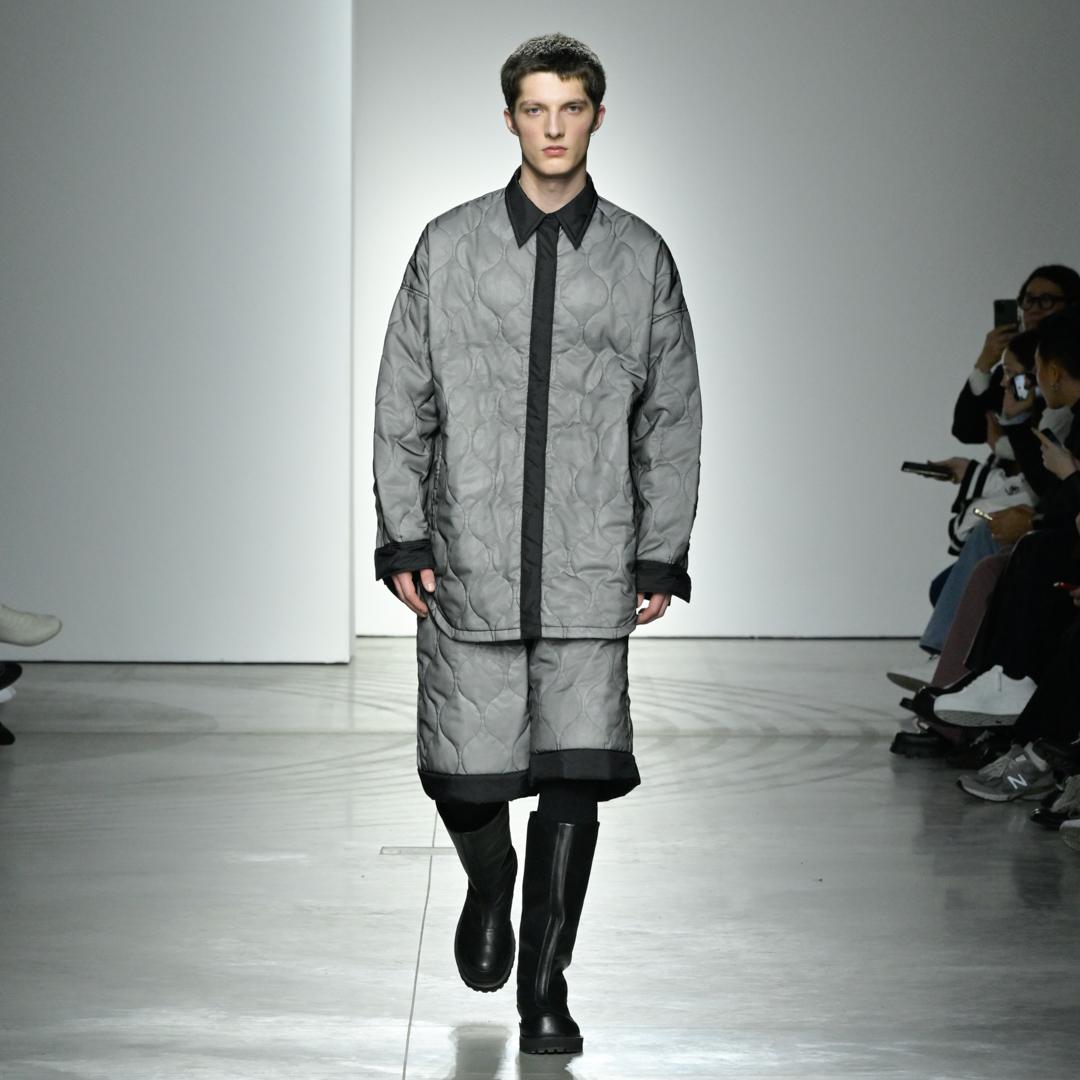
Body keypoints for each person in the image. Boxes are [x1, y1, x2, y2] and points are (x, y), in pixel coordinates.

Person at [371, 33, 702, 1057]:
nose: (553, 127)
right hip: (469, 554)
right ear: (510, 117)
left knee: (575, 776)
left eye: (572, 108)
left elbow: (671, 416)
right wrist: (403, 533)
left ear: (598, 115)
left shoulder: (640, 257)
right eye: (535, 108)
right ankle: (490, 880)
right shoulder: (448, 246)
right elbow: (402, 401)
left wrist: (661, 548)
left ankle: (545, 991)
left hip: (591, 558)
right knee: (462, 779)